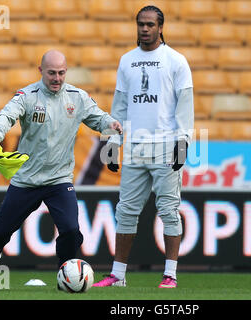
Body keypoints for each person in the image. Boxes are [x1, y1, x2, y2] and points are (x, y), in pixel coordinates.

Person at [0, 50, 122, 286]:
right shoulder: (27, 96)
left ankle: (65, 275)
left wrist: (110, 123)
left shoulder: (77, 97)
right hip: (27, 180)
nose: (57, 78)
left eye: (62, 73)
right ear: (40, 71)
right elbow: (6, 116)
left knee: (71, 230)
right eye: (52, 73)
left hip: (59, 179)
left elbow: (98, 117)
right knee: (0, 232)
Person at [93, 5, 194, 288]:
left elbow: (185, 104)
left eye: (150, 24)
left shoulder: (176, 60)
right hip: (135, 146)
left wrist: (183, 142)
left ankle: (170, 274)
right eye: (141, 24)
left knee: (169, 210)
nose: (145, 29)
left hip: (165, 144)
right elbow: (120, 106)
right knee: (125, 210)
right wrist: (112, 143)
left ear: (161, 27)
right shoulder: (126, 61)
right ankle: (118, 275)